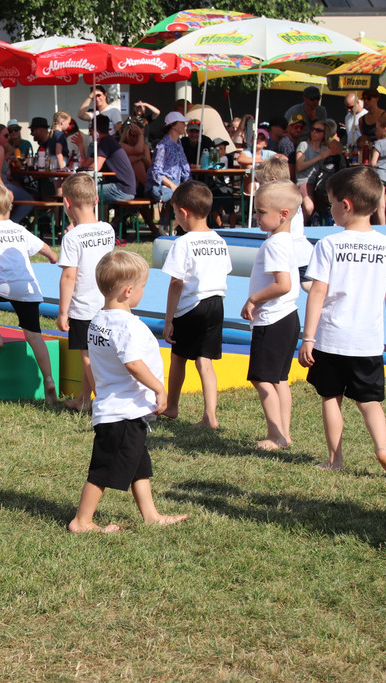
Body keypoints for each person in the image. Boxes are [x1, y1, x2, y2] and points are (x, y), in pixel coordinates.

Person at [297, 165, 386, 479]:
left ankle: (335, 459)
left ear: (345, 205)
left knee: (330, 398)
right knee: (370, 401)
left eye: (331, 202)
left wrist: (308, 337)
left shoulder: (329, 244)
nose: (330, 208)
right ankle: (383, 448)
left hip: (332, 338)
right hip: (368, 341)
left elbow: (317, 292)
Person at [67, 250, 188, 533]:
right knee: (104, 469)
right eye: (143, 286)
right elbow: (133, 363)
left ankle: (151, 515)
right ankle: (82, 521)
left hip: (118, 408)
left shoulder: (99, 320)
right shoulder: (127, 326)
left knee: (138, 464)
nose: (144, 291)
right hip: (122, 412)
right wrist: (159, 389)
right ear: (128, 291)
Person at [0, 182, 59, 400]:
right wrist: (53, 257)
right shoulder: (18, 228)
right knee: (34, 335)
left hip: (6, 285)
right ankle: (48, 379)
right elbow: (43, 247)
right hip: (29, 287)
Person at [160, 181, 231, 429]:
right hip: (216, 304)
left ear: (184, 212)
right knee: (205, 360)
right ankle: (210, 415)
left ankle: (172, 405)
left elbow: (176, 283)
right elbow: (225, 270)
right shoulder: (219, 240)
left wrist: (169, 319)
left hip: (191, 307)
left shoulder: (184, 242)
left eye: (175, 213)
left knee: (178, 356)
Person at [241, 181, 303, 451]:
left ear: (283, 214)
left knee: (262, 378)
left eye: (261, 212)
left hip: (273, 319)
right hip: (287, 317)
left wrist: (253, 299)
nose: (256, 216)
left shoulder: (275, 244)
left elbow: (283, 284)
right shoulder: (284, 240)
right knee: (279, 379)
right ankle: (284, 433)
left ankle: (275, 434)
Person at [56, 173, 115, 412]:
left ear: (67, 203)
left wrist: (63, 311)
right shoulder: (107, 229)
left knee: (88, 355)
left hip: (84, 306)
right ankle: (83, 399)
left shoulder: (72, 237)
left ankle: (105, 402)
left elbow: (69, 276)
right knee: (96, 352)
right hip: (107, 301)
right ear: (96, 200)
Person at [255, 157, 314, 293]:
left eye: (261, 183)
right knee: (304, 284)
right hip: (301, 251)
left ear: (273, 181)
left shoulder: (279, 204)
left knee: (301, 284)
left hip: (294, 252)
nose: (259, 186)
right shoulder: (291, 198)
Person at [294, 119, 337, 220]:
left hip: (320, 184)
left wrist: (332, 140)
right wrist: (319, 157)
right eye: (312, 129)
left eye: (318, 130)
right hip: (305, 181)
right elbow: (299, 166)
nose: (314, 132)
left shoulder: (325, 149)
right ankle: (303, 225)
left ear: (324, 134)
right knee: (309, 207)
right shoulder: (304, 145)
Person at [146, 112, 192, 204]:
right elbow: (156, 172)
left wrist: (189, 183)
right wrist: (173, 186)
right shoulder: (163, 146)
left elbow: (184, 167)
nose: (185, 125)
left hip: (174, 185)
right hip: (163, 186)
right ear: (173, 125)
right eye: (182, 122)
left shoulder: (178, 143)